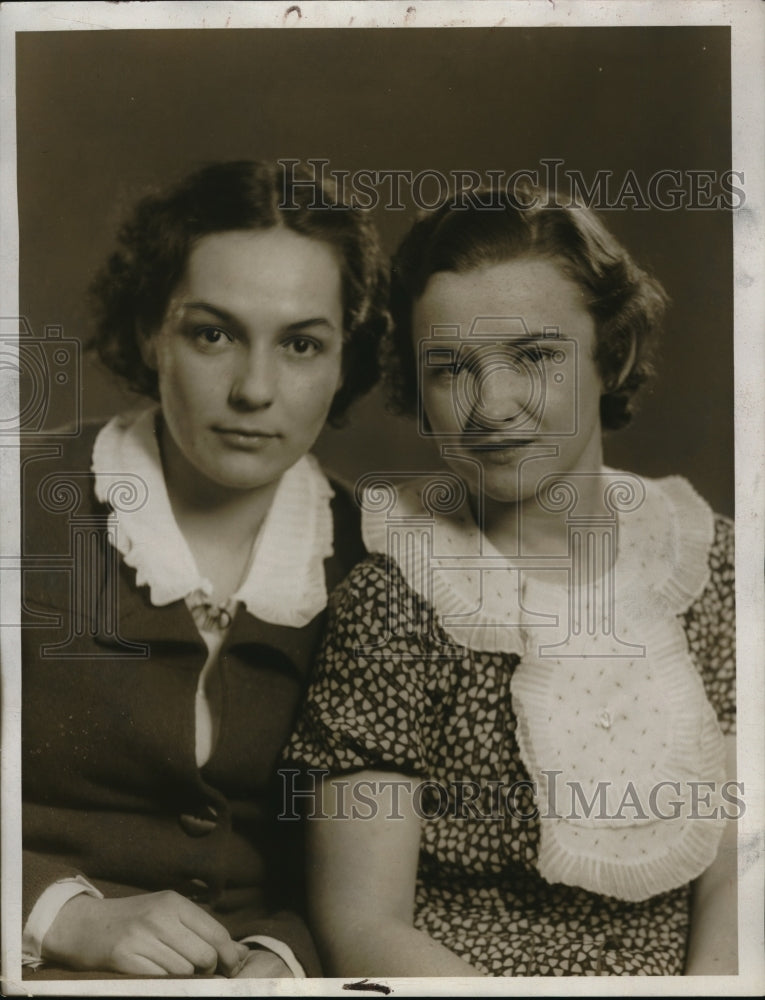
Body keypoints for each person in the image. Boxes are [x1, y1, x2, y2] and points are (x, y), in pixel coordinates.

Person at [284, 185, 737, 977]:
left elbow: (743, 868)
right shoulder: (396, 599)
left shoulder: (712, 567)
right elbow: (360, 923)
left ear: (611, 356)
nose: (490, 406)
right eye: (449, 368)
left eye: (534, 357)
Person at [21, 159, 390, 979]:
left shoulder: (378, 561)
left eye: (301, 344)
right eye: (213, 334)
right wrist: (61, 914)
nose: (254, 389)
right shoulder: (20, 507)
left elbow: (387, 877)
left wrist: (286, 956)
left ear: (345, 362)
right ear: (150, 333)